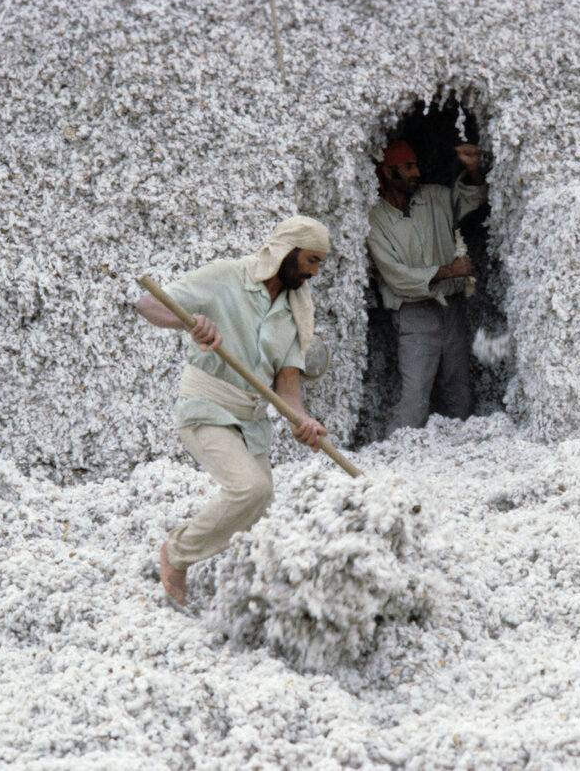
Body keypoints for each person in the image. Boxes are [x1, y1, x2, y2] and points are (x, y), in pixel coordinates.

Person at [137, 216, 331, 605]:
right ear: (287, 252)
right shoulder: (226, 276)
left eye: (318, 264)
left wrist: (302, 422)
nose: (313, 272)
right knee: (250, 488)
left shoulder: (296, 310)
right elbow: (147, 303)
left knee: (260, 507)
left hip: (252, 420)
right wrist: (191, 324)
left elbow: (287, 387)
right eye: (310, 260)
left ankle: (245, 591)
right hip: (206, 405)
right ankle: (176, 554)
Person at [366, 139, 488, 435]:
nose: (417, 172)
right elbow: (397, 277)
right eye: (408, 167)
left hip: (452, 309)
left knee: (458, 389)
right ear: (388, 172)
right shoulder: (375, 220)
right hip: (414, 315)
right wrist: (450, 271)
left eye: (417, 165)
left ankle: (461, 454)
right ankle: (398, 454)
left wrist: (473, 169)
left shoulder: (435, 197)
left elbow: (471, 198)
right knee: (415, 395)